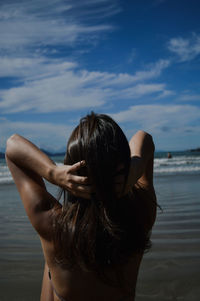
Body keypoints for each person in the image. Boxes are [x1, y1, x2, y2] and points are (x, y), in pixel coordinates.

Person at [6, 112, 157, 301]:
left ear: (70, 171)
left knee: (51, 264)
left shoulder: (53, 227)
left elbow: (13, 145)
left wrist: (52, 172)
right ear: (125, 169)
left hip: (65, 242)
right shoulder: (141, 216)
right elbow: (145, 139)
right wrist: (137, 164)